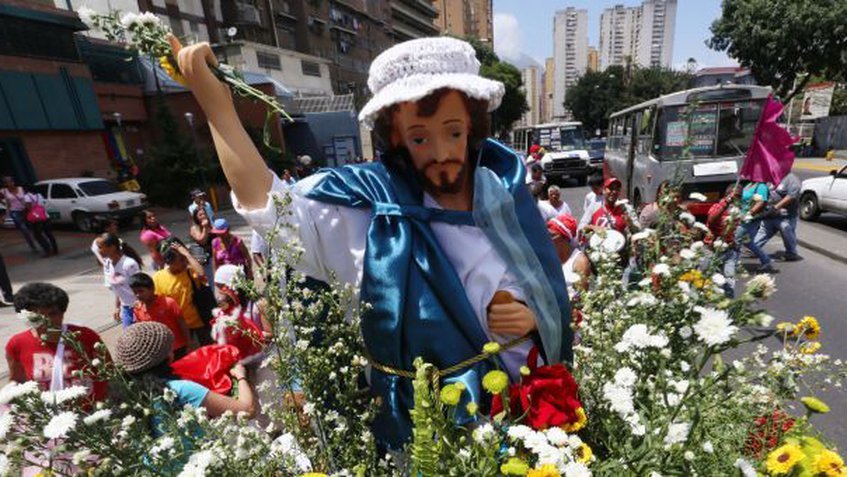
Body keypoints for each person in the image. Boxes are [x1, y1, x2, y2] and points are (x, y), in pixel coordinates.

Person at [169, 34, 572, 450]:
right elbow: (270, 206)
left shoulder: (503, 194)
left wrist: (533, 318)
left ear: (472, 126)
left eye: (452, 132)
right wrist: (217, 106)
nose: (440, 151)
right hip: (432, 434)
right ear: (395, 137)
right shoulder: (366, 212)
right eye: (420, 137)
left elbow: (547, 292)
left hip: (529, 408)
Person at [114, 322, 257, 432]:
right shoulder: (178, 390)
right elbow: (247, 410)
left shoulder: (127, 397)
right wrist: (241, 376)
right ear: (168, 356)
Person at [5, 283, 108, 400]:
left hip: (93, 409)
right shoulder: (17, 344)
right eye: (38, 316)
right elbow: (17, 381)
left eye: (53, 314)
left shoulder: (86, 336)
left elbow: (109, 373)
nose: (47, 320)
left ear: (63, 312)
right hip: (46, 410)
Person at [153, 238, 212, 345]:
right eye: (180, 259)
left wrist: (188, 254)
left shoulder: (190, 271)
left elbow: (201, 274)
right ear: (169, 262)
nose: (185, 261)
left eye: (184, 258)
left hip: (199, 324)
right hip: (179, 327)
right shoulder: (158, 278)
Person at [130, 272, 192, 359]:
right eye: (135, 292)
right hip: (158, 353)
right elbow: (143, 331)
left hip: (178, 348)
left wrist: (189, 344)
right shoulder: (138, 309)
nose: (138, 295)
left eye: (141, 291)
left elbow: (182, 324)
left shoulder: (168, 303)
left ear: (152, 289)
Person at [95, 233, 144, 328]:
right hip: (126, 309)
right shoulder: (108, 263)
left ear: (112, 247)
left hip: (139, 307)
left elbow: (141, 286)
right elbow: (118, 288)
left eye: (100, 247)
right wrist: (117, 307)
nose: (98, 250)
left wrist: (140, 306)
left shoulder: (129, 264)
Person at [754, 173, 802, 262]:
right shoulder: (771, 177)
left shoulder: (792, 179)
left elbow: (792, 196)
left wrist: (776, 207)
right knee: (763, 231)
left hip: (785, 216)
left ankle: (791, 253)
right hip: (770, 215)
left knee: (786, 230)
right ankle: (753, 249)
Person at [706, 184, 742, 298]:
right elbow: (711, 220)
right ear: (728, 195)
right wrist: (726, 203)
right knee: (712, 281)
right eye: (736, 196)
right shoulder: (717, 206)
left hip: (730, 250)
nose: (737, 199)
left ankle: (728, 303)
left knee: (729, 280)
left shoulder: (736, 210)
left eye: (739, 196)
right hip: (713, 250)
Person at [547, 214, 591, 299]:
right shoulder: (548, 255)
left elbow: (582, 296)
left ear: (565, 238)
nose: (547, 238)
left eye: (552, 235)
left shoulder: (580, 262)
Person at [737, 181, 775, 272]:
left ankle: (732, 263)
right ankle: (766, 261)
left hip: (751, 219)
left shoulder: (761, 186)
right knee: (748, 242)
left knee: (736, 239)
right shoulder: (748, 184)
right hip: (741, 217)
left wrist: (748, 214)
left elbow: (761, 202)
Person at [1, 176, 38, 252]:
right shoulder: (4, 191)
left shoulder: (20, 188)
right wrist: (6, 213)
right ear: (5, 184)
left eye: (11, 181)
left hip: (24, 210)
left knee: (33, 227)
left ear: (14, 182)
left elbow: (26, 198)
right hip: (14, 212)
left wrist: (29, 207)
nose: (10, 183)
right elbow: (8, 204)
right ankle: (33, 246)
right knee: (24, 229)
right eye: (7, 182)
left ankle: (39, 241)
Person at [23, 186, 58, 256]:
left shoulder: (27, 196)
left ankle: (47, 250)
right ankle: (55, 249)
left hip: (36, 218)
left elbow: (28, 207)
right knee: (48, 233)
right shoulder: (39, 195)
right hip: (45, 216)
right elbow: (43, 205)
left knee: (37, 234)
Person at [189, 206, 215, 281]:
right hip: (203, 258)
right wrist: (205, 228)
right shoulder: (194, 228)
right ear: (196, 217)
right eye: (200, 215)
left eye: (204, 214)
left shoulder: (210, 225)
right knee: (210, 279)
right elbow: (202, 241)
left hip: (213, 256)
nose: (203, 216)